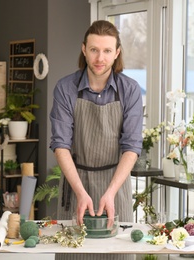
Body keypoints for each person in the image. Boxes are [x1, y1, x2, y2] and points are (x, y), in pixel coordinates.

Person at [50, 20, 143, 260]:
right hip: (76, 183)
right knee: (74, 253)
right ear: (84, 49)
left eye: (107, 51)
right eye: (94, 50)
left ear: (117, 53)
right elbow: (61, 145)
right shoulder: (65, 88)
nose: (100, 58)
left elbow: (131, 147)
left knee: (117, 254)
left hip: (116, 186)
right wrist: (80, 192)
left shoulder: (130, 90)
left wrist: (110, 192)